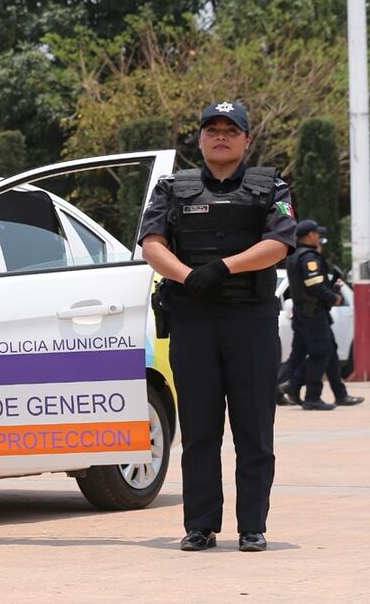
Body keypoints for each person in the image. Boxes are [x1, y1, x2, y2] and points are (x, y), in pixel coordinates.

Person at [139, 101, 295, 553]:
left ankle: (252, 527)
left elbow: (279, 243)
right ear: (201, 139)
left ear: (247, 140)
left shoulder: (272, 187)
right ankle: (201, 525)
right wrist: (189, 277)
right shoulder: (172, 188)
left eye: (231, 130)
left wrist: (221, 269)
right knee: (200, 429)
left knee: (253, 430)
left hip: (250, 321)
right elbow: (152, 244)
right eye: (212, 129)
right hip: (193, 319)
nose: (221, 136)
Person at [279, 220, 364, 409]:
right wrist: (333, 296)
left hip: (306, 313)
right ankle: (309, 396)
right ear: (310, 235)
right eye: (317, 234)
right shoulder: (309, 257)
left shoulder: (295, 255)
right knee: (321, 352)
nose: (319, 237)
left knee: (324, 351)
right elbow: (315, 284)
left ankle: (339, 394)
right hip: (313, 312)